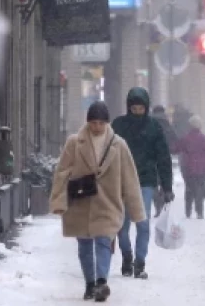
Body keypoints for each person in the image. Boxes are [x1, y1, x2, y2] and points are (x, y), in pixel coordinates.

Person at [50, 102, 145, 302]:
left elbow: (130, 178)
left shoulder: (118, 145)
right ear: (88, 122)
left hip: (108, 202)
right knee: (84, 245)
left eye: (101, 123)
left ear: (107, 123)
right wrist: (59, 200)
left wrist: (136, 211)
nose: (97, 127)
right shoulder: (74, 143)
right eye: (93, 122)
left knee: (104, 241)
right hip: (80, 203)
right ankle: (90, 283)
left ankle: (102, 281)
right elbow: (62, 172)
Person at [110, 87, 174, 279]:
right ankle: (127, 256)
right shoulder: (119, 125)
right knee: (122, 224)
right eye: (134, 108)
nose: (137, 111)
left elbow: (163, 157)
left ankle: (140, 262)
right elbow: (108, 153)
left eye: (141, 108)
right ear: (129, 107)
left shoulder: (154, 127)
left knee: (143, 222)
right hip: (121, 180)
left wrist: (167, 186)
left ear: (146, 107)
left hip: (146, 181)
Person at [174, 115, 205, 219]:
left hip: (188, 169)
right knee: (200, 190)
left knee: (189, 189)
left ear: (190, 126)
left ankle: (188, 211)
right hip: (202, 169)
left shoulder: (185, 139)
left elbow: (176, 149)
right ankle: (199, 212)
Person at [150, 105, 178, 215]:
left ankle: (157, 205)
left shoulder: (149, 123)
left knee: (153, 183)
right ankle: (162, 201)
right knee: (164, 180)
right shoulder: (167, 124)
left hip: (151, 157)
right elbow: (174, 138)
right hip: (164, 156)